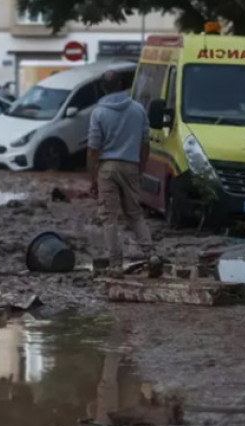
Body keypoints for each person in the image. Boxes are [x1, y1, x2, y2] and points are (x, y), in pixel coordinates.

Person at [88, 70, 153, 277]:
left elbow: (93, 149)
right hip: (131, 165)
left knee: (109, 218)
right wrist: (140, 167)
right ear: (122, 84)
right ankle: (151, 256)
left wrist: (93, 178)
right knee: (135, 214)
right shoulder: (138, 110)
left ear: (103, 88)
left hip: (107, 168)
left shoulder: (99, 113)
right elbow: (145, 143)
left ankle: (115, 265)